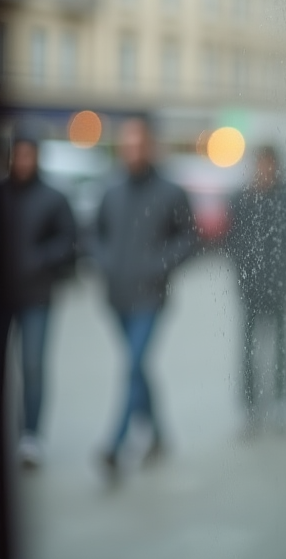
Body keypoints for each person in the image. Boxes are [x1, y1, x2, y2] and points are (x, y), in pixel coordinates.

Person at [92, 117, 197, 478]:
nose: (132, 150)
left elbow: (189, 238)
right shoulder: (111, 189)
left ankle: (114, 444)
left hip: (151, 296)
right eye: (126, 144)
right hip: (117, 296)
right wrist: (104, 262)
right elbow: (94, 234)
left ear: (150, 146)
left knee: (134, 366)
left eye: (138, 143)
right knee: (139, 369)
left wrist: (160, 264)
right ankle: (159, 435)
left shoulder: (170, 191)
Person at [0, 132, 77, 469]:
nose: (23, 162)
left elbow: (69, 242)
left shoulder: (53, 198)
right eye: (18, 155)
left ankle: (30, 435)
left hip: (37, 296)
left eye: (29, 155)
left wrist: (41, 258)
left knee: (32, 364)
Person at [224, 146, 286, 433]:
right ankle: (250, 407)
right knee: (248, 347)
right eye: (260, 165)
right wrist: (242, 275)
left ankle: (281, 403)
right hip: (251, 286)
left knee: (281, 345)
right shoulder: (242, 199)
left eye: (268, 165)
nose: (264, 171)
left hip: (279, 285)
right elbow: (233, 242)